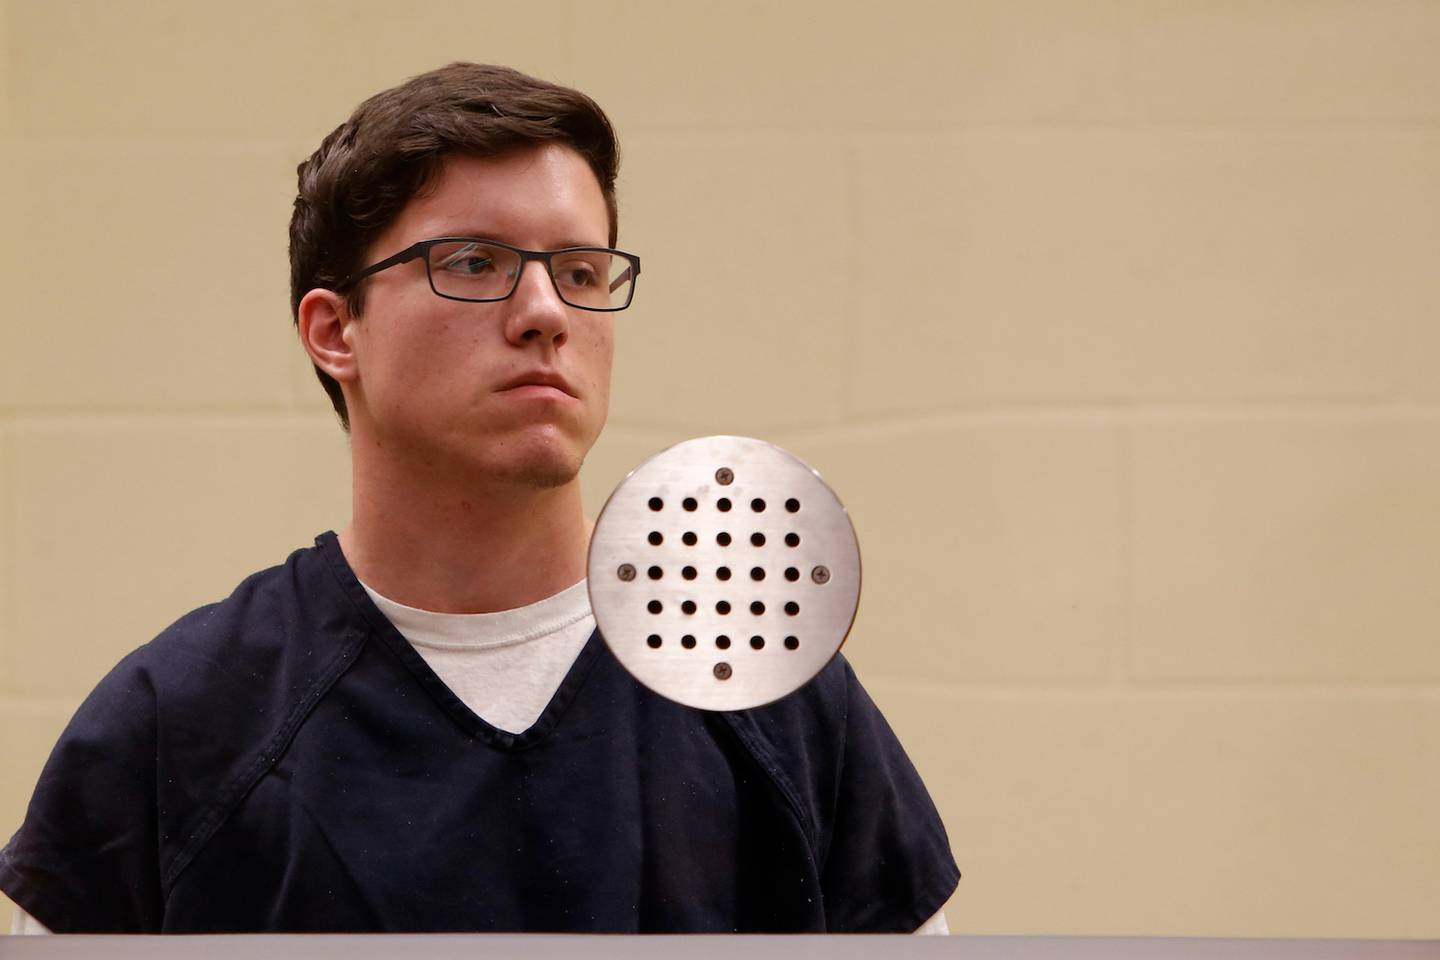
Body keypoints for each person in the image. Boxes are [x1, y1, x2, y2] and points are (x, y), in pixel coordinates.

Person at [0, 63, 959, 934]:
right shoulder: (179, 722)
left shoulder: (761, 683)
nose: (546, 313)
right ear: (335, 332)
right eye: (473, 263)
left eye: (580, 272)